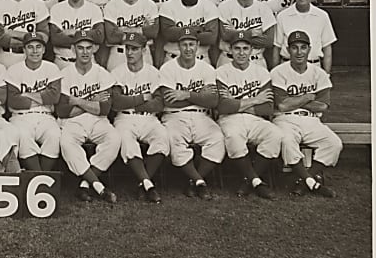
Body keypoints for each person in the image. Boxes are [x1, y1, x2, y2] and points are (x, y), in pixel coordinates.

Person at [271, 30, 343, 198]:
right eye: (294, 47)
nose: (299, 52)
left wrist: (294, 101)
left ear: (309, 49)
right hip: (285, 120)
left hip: (312, 120)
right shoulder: (278, 72)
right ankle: (311, 181)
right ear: (288, 50)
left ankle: (304, 181)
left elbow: (323, 106)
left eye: (303, 47)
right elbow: (282, 106)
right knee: (286, 141)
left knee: (334, 143)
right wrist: (307, 97)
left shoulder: (319, 73)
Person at [156, 28, 224, 199]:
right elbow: (168, 101)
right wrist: (200, 96)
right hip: (175, 115)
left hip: (202, 116)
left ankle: (193, 181)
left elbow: (213, 101)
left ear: (198, 45)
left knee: (217, 138)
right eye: (184, 44)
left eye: (191, 44)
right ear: (178, 46)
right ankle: (200, 182)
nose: (188, 48)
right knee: (173, 140)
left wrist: (186, 95)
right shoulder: (167, 68)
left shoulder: (206, 68)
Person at [216, 32, 282, 199]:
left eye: (245, 48)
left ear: (252, 50)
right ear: (230, 50)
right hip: (230, 119)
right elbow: (223, 107)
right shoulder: (221, 72)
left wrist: (236, 104)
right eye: (237, 48)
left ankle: (249, 181)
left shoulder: (261, 72)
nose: (241, 53)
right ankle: (257, 182)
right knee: (234, 137)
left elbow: (267, 108)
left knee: (275, 135)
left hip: (256, 119)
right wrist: (255, 100)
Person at [57, 30, 120, 203]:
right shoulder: (64, 74)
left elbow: (104, 109)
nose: (85, 52)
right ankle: (99, 186)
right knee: (66, 143)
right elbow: (62, 110)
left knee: (114, 139)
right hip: (73, 121)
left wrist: (77, 101)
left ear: (94, 49)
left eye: (88, 48)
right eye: (80, 48)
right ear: (73, 49)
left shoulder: (103, 74)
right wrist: (92, 101)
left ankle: (85, 184)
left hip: (98, 121)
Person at [110, 32, 168, 204]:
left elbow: (159, 104)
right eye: (127, 48)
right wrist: (143, 98)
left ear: (143, 50)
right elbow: (116, 103)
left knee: (163, 138)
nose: (129, 53)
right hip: (125, 118)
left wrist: (130, 103)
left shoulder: (153, 72)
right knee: (127, 142)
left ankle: (143, 183)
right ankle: (149, 185)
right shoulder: (117, 72)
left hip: (149, 118)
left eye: (134, 49)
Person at [5, 31, 63, 172]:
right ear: (24, 50)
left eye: (38, 47)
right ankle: (41, 176)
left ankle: (39, 175)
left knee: (54, 135)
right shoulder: (14, 70)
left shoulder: (52, 68)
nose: (35, 51)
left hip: (45, 116)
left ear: (44, 50)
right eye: (30, 47)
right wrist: (43, 96)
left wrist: (26, 95)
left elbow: (54, 97)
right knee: (22, 136)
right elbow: (13, 101)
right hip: (20, 117)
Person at [157, 0, 220, 66]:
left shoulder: (209, 6)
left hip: (201, 59)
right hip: (173, 59)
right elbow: (168, 34)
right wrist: (198, 29)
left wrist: (179, 31)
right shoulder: (168, 6)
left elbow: (211, 38)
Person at [216, 0, 276, 69]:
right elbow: (225, 36)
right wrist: (251, 33)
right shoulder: (224, 6)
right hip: (228, 60)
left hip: (256, 61)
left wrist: (235, 33)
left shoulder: (264, 9)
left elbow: (268, 42)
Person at [102, 0, 159, 71]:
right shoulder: (111, 6)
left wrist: (123, 31)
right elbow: (111, 36)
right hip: (119, 53)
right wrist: (141, 31)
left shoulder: (149, 5)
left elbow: (153, 32)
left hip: (143, 53)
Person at [274, 0, 337, 74]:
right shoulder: (282, 16)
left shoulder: (322, 16)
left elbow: (327, 48)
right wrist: (275, 74)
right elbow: (277, 47)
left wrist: (326, 75)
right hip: (287, 68)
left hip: (314, 68)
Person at [49, 0, 105, 69]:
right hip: (63, 62)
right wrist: (87, 37)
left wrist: (74, 33)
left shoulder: (94, 9)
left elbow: (99, 37)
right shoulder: (56, 8)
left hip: (89, 63)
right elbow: (56, 39)